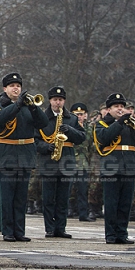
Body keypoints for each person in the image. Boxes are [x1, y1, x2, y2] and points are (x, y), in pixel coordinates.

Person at [0, 73, 49, 242]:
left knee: (21, 197)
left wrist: (34, 108)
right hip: (6, 155)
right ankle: (7, 231)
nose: (16, 88)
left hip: (25, 155)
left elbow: (43, 123)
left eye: (18, 85)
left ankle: (19, 231)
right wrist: (17, 105)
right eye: (12, 85)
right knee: (7, 196)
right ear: (5, 89)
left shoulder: (28, 107)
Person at [94, 93, 135, 244]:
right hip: (111, 168)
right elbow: (104, 138)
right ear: (109, 109)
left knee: (125, 204)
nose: (120, 109)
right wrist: (119, 123)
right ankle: (111, 235)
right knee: (111, 204)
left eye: (122, 107)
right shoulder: (102, 124)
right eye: (116, 106)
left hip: (129, 167)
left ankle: (122, 234)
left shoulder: (130, 124)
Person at [35, 87, 86, 239]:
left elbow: (82, 137)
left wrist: (70, 130)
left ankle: (61, 228)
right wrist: (46, 147)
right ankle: (49, 228)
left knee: (63, 198)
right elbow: (35, 139)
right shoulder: (42, 118)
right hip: (49, 162)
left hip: (67, 161)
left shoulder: (71, 118)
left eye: (61, 100)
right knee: (48, 198)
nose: (58, 102)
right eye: (55, 100)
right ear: (50, 101)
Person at [70, 103, 95, 222]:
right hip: (68, 161)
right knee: (67, 189)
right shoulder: (68, 126)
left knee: (83, 189)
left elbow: (91, 147)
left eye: (81, 114)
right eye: (76, 114)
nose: (79, 117)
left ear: (86, 115)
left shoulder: (90, 129)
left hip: (83, 163)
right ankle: (68, 210)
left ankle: (83, 213)